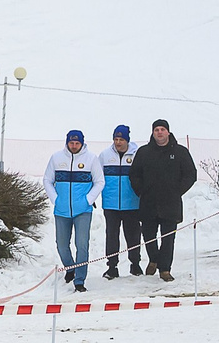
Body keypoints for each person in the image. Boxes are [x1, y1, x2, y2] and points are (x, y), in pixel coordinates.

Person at [130, 117, 198, 282]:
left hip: (170, 203)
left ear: (168, 132)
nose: (159, 132)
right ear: (153, 133)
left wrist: (177, 191)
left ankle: (165, 269)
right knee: (148, 235)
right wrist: (141, 191)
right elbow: (134, 174)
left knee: (168, 238)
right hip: (148, 202)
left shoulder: (180, 151)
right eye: (156, 130)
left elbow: (191, 174)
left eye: (162, 129)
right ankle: (154, 259)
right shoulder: (144, 152)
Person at [42, 129, 100, 292]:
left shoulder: (91, 159)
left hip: (83, 210)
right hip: (61, 210)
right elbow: (47, 180)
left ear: (82, 143)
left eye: (77, 143)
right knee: (61, 245)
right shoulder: (56, 158)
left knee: (81, 245)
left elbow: (99, 182)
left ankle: (80, 279)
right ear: (67, 142)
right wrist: (56, 199)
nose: (74, 146)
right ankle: (70, 268)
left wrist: (88, 200)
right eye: (71, 143)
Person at [99, 125, 144, 278]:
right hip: (111, 204)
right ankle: (112, 266)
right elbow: (97, 178)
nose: (118, 142)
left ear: (127, 140)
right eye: (116, 139)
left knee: (133, 235)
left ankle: (135, 264)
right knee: (112, 236)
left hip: (132, 203)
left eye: (121, 139)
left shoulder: (137, 154)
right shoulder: (104, 155)